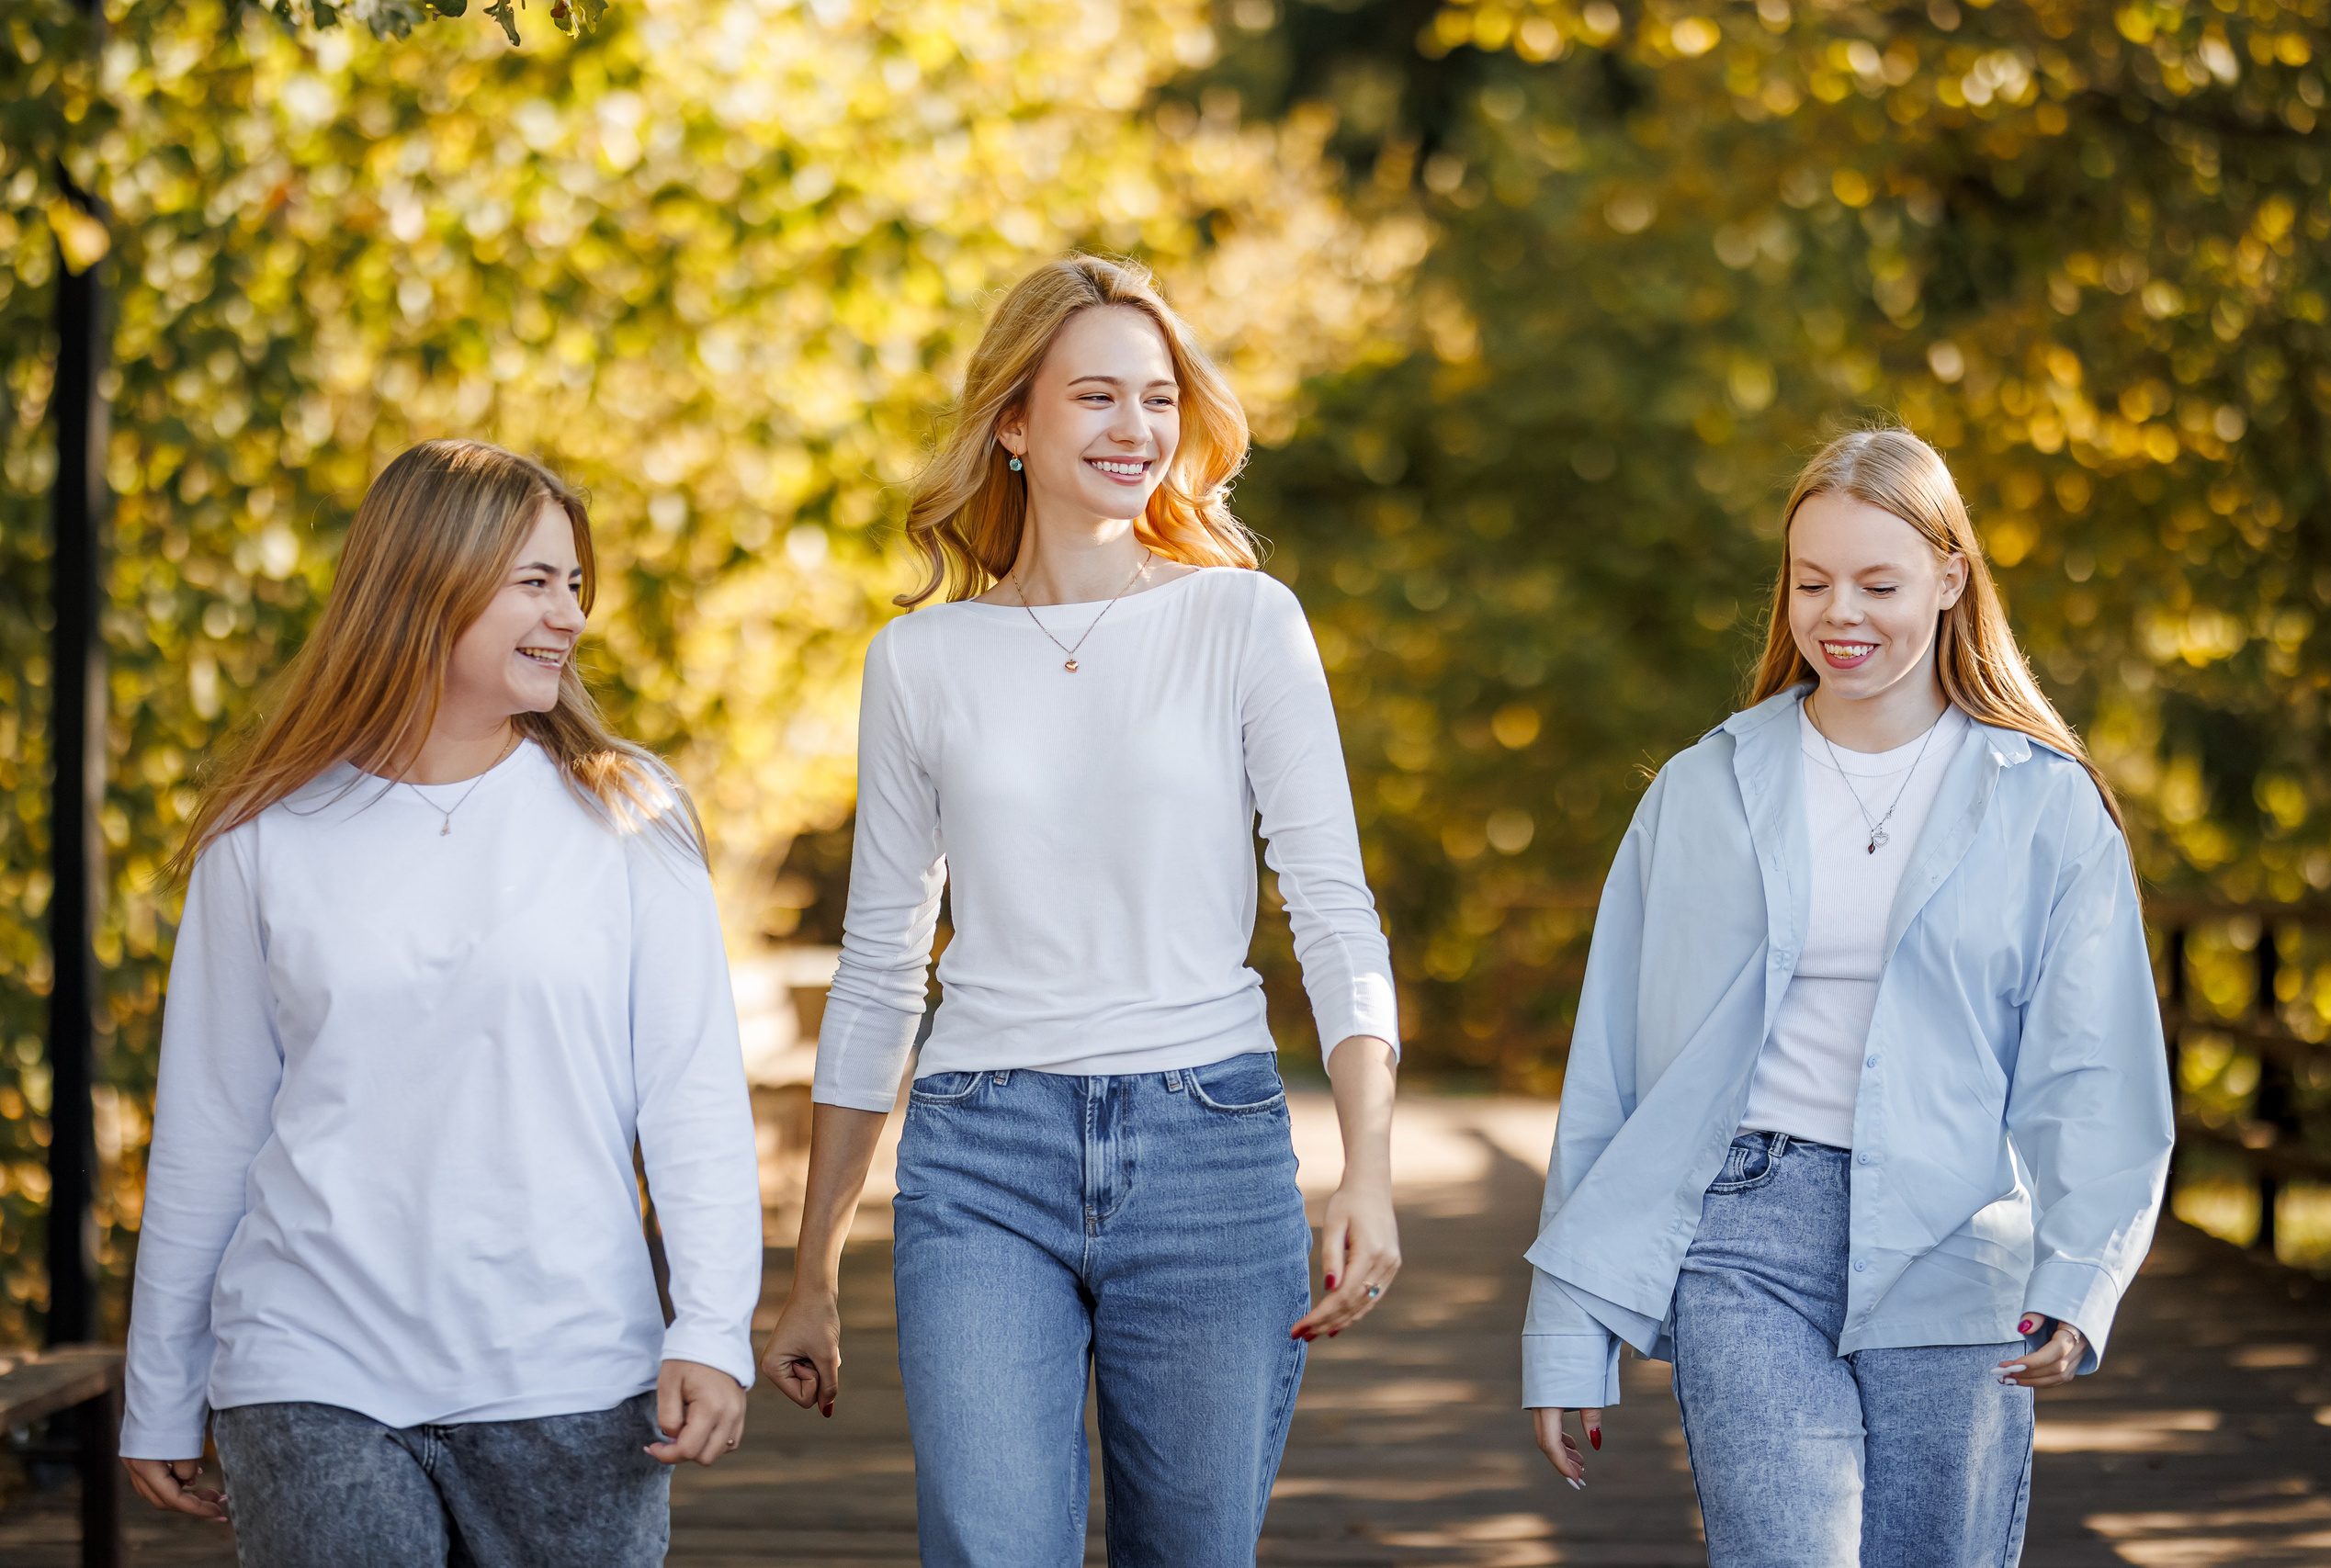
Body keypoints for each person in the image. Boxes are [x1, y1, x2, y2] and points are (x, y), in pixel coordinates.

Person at [756, 254, 1402, 1566]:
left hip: (1210, 1150)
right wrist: (814, 1260)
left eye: (1157, 397)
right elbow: (884, 966)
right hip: (983, 1152)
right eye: (1095, 396)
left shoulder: (1244, 622)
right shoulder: (921, 658)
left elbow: (1334, 909)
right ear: (1013, 421)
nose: (1135, 429)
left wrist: (1370, 1168)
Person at [1522, 427, 2173, 1565]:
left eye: (1878, 583)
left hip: (1957, 1242)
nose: (1840, 614)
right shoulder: (1700, 789)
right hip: (1741, 1233)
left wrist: (2080, 1277)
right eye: (1811, 582)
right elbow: (1611, 1075)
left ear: (1950, 577)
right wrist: (1569, 1330)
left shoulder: (2046, 804)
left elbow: (2096, 1066)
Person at [119, 439, 764, 1567]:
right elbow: (210, 1129)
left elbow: (691, 1093)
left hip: (566, 1372)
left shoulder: (629, 814)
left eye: (573, 584)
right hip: (309, 1366)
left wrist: (712, 1330)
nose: (567, 615)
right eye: (533, 582)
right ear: (426, 582)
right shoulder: (264, 834)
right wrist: (160, 1388)